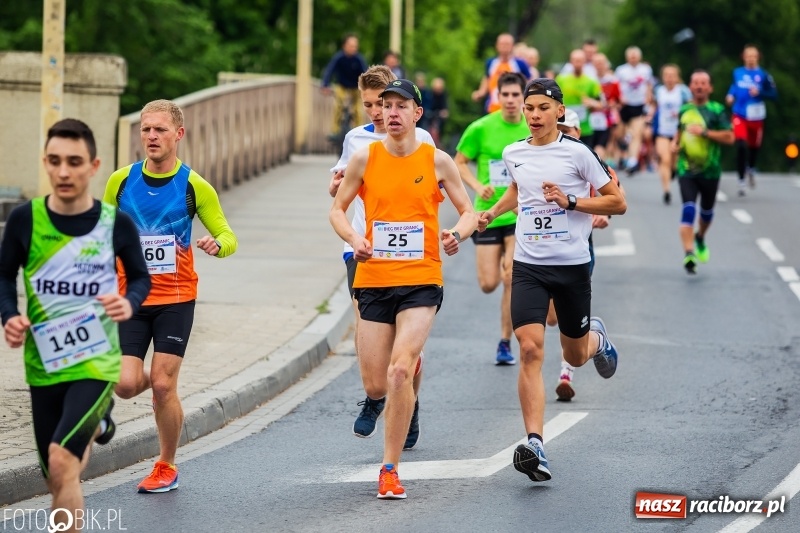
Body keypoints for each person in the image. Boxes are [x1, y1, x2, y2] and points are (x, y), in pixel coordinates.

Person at [330, 79, 478, 499]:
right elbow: (337, 210)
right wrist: (354, 239)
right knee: (377, 384)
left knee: (399, 370)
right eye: (385, 105)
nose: (391, 112)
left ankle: (389, 468)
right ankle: (402, 395)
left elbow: (467, 211)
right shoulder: (364, 158)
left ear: (417, 114)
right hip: (373, 279)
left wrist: (457, 234)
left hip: (421, 279)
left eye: (401, 106)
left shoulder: (437, 160)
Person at [0, 119, 150, 532]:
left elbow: (140, 277)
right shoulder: (24, 220)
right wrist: (10, 316)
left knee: (62, 460)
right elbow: (3, 275)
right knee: (56, 474)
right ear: (45, 164)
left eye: (74, 162)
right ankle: (98, 424)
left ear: (93, 165)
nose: (63, 171)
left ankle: (95, 416)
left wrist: (128, 301)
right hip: (44, 361)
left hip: (96, 360)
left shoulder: (113, 222)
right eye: (54, 161)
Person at [477, 78, 626, 483]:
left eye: (543, 107)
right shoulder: (514, 152)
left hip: (572, 267)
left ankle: (597, 339)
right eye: (530, 108)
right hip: (529, 265)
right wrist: (492, 211)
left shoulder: (579, 154)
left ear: (560, 111)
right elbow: (517, 190)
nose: (535, 115)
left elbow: (618, 201)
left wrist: (571, 201)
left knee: (575, 355)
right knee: (529, 349)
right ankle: (535, 443)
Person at [103, 100, 238, 493]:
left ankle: (166, 464)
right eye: (146, 129)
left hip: (176, 299)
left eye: (160, 130)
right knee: (127, 384)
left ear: (178, 134)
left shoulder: (195, 186)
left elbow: (229, 235)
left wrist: (218, 245)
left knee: (163, 385)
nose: (151, 136)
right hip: (130, 297)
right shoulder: (121, 182)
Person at [328, 65, 435, 450]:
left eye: (383, 103)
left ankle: (407, 400)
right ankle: (376, 396)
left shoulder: (420, 139)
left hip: (410, 256)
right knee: (366, 327)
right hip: (362, 247)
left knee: (404, 354)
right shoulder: (355, 140)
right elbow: (336, 187)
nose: (376, 111)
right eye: (369, 104)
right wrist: (336, 186)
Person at [455, 72, 530, 365]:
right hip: (487, 214)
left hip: (518, 213)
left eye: (515, 95)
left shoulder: (532, 127)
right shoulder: (481, 128)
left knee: (510, 276)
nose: (510, 101)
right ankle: (503, 272)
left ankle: (504, 342)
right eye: (505, 95)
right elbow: (459, 162)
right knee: (488, 283)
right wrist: (476, 186)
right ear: (497, 97)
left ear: (523, 97)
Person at [550, 109, 622, 402]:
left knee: (566, 313)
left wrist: (603, 216)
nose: (564, 134)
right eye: (561, 129)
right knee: (551, 318)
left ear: (579, 133)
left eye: (569, 130)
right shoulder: (541, 157)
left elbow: (615, 195)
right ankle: (596, 337)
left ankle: (566, 372)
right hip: (543, 251)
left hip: (578, 250)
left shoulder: (590, 160)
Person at [673, 71, 734, 274]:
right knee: (689, 208)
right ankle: (688, 253)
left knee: (706, 213)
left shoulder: (716, 110)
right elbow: (679, 133)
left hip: (711, 171)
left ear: (710, 88)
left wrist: (705, 133)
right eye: (696, 82)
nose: (699, 86)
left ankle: (700, 237)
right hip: (687, 169)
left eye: (704, 83)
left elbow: (730, 137)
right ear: (690, 86)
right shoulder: (684, 109)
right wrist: (675, 146)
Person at [725, 44, 778, 196]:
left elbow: (774, 94)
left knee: (754, 147)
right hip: (739, 114)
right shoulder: (737, 72)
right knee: (741, 144)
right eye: (748, 55)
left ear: (758, 58)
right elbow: (734, 87)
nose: (751, 59)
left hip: (756, 115)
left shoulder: (764, 75)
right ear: (743, 57)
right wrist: (730, 95)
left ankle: (751, 168)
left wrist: (760, 92)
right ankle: (741, 180)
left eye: (754, 56)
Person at [651, 64, 691, 205]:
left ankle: (673, 171)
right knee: (665, 159)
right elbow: (654, 106)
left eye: (672, 75)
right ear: (663, 77)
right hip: (662, 131)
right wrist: (649, 117)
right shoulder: (659, 91)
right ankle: (667, 191)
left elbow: (691, 107)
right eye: (667, 75)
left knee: (674, 162)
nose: (669, 78)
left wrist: (682, 115)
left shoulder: (683, 91)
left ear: (677, 77)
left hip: (679, 132)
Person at [615, 46, 654, 174]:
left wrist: (648, 98)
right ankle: (623, 145)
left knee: (637, 134)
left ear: (639, 57)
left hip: (638, 104)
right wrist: (619, 99)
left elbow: (648, 85)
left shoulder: (646, 69)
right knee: (619, 135)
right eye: (631, 55)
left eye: (635, 55)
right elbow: (616, 86)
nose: (633, 58)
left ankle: (632, 161)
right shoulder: (621, 70)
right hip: (624, 105)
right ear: (627, 57)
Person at [321, 34, 369, 138]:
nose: (353, 48)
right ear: (344, 46)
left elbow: (365, 74)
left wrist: (368, 87)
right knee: (338, 105)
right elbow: (329, 71)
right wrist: (325, 85)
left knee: (358, 109)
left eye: (355, 46)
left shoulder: (358, 59)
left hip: (356, 87)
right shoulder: (339, 58)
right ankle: (335, 130)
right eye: (351, 46)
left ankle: (359, 130)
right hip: (342, 86)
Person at [556, 49, 604, 149]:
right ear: (571, 61)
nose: (577, 63)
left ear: (585, 62)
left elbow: (602, 103)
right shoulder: (561, 80)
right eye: (575, 60)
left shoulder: (591, 82)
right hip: (564, 128)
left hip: (585, 129)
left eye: (580, 60)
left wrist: (592, 103)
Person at [472, 33, 532, 114]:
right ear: (497, 45)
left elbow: (529, 81)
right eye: (502, 44)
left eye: (507, 44)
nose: (504, 46)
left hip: (515, 108)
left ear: (512, 46)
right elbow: (487, 79)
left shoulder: (520, 63)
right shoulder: (491, 63)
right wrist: (480, 92)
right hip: (493, 107)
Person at [592, 53, 621, 165]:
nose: (599, 65)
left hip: (606, 118)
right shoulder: (589, 79)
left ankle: (601, 164)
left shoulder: (612, 81)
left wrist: (612, 104)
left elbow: (618, 100)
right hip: (590, 118)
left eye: (601, 63)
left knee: (603, 143)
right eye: (596, 63)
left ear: (606, 65)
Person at [429, 77, 450, 147]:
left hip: (439, 117)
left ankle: (438, 143)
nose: (438, 91)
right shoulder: (430, 94)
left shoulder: (443, 95)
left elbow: (445, 107)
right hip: (430, 116)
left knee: (439, 129)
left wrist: (444, 112)